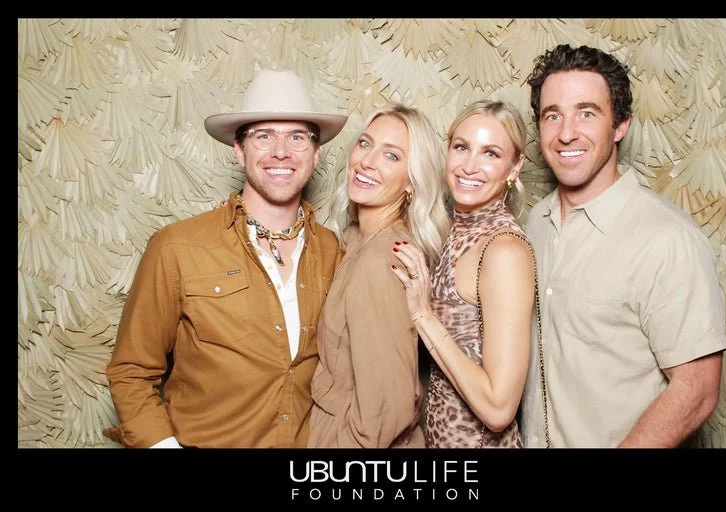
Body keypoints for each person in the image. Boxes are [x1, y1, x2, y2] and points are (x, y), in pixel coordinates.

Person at [104, 69, 348, 448]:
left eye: (297, 137)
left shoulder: (334, 251)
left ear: (316, 154)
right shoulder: (177, 247)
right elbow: (131, 371)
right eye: (263, 136)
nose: (280, 151)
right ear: (239, 150)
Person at [519, 44, 726, 448]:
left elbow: (697, 390)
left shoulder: (668, 240)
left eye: (586, 113)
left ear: (620, 126)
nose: (566, 133)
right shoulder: (535, 224)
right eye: (552, 115)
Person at [390, 100, 535, 448]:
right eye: (462, 147)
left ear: (514, 167)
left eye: (490, 154)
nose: (470, 166)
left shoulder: (504, 252)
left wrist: (423, 315)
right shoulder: (448, 230)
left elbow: (499, 409)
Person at [307, 104, 450, 448]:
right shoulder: (356, 240)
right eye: (366, 144)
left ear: (412, 182)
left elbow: (386, 413)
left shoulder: (381, 261)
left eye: (391, 155)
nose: (367, 162)